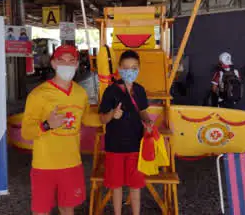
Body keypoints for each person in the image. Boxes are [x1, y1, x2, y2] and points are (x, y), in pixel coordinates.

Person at [21, 45, 89, 215]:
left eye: (71, 61)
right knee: (42, 211)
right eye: (61, 61)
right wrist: (46, 125)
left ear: (76, 65)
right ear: (53, 64)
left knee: (68, 209)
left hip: (72, 163)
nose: (67, 65)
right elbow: (26, 132)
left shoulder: (81, 94)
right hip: (45, 165)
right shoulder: (38, 94)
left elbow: (88, 119)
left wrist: (109, 116)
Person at [99, 50, 153, 215]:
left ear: (139, 68)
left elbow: (143, 111)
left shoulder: (140, 90)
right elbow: (102, 119)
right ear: (119, 68)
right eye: (126, 67)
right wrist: (112, 115)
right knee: (116, 187)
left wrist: (148, 121)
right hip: (114, 147)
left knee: (135, 187)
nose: (130, 71)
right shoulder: (110, 91)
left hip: (136, 146)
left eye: (134, 68)